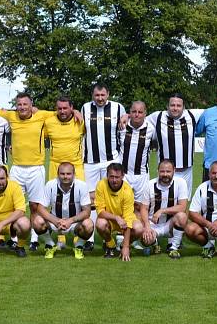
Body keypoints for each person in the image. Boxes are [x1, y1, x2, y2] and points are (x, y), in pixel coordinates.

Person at [0, 92, 53, 250]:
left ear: (31, 105)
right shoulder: (11, 116)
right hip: (17, 169)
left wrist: (76, 111)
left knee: (35, 206)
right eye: (19, 104)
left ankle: (34, 239)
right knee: (15, 205)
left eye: (25, 104)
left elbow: (61, 112)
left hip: (36, 169)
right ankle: (15, 238)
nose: (22, 107)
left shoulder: (41, 115)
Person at [81, 83, 126, 250]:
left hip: (111, 160)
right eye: (97, 95)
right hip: (90, 162)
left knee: (115, 197)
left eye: (103, 95)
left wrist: (126, 115)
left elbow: (125, 123)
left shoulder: (118, 108)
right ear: (92, 95)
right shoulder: (85, 108)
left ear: (108, 94)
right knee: (91, 200)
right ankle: (91, 238)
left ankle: (120, 236)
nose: (100, 98)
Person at [32, 162, 94, 259]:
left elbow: (87, 211)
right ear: (57, 174)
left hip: (74, 223)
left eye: (68, 174)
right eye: (62, 173)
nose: (65, 176)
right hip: (55, 222)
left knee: (89, 224)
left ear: (74, 174)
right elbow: (40, 208)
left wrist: (70, 221)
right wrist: (56, 221)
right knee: (37, 221)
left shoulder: (82, 186)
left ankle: (79, 246)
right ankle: (50, 245)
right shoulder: (50, 185)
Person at [147, 93, 197, 194]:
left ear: (184, 107)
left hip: (186, 172)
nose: (175, 108)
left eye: (178, 105)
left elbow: (214, 112)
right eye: (172, 105)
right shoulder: (158, 116)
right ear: (167, 106)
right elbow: (139, 117)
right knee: (164, 202)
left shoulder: (192, 115)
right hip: (165, 172)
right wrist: (127, 115)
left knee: (183, 204)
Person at [95, 163, 144, 261]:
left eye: (117, 177)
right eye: (111, 177)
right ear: (107, 176)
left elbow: (128, 219)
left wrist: (126, 247)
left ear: (122, 176)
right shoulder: (101, 185)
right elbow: (100, 211)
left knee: (138, 228)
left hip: (124, 221)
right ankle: (110, 245)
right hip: (110, 220)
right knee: (100, 223)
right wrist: (116, 218)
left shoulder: (127, 191)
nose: (114, 180)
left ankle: (123, 246)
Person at [140, 160, 189, 258]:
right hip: (153, 224)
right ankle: (154, 244)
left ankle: (173, 248)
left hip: (170, 224)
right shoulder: (149, 185)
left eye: (168, 171)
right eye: (162, 171)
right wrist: (147, 227)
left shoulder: (181, 183)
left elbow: (183, 206)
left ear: (174, 171)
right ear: (157, 171)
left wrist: (162, 210)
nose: (165, 174)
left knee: (182, 216)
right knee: (145, 240)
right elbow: (144, 208)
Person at [118, 100, 155, 211]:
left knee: (139, 207)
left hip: (142, 175)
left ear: (145, 113)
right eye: (134, 111)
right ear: (130, 112)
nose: (137, 114)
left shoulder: (151, 129)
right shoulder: (122, 126)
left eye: (140, 112)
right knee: (122, 205)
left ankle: (138, 228)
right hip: (123, 174)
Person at [45, 96, 84, 181]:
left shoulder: (80, 121)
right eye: (59, 108)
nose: (62, 111)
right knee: (54, 193)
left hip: (76, 164)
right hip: (55, 165)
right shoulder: (49, 122)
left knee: (79, 192)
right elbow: (37, 137)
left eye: (65, 108)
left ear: (71, 108)